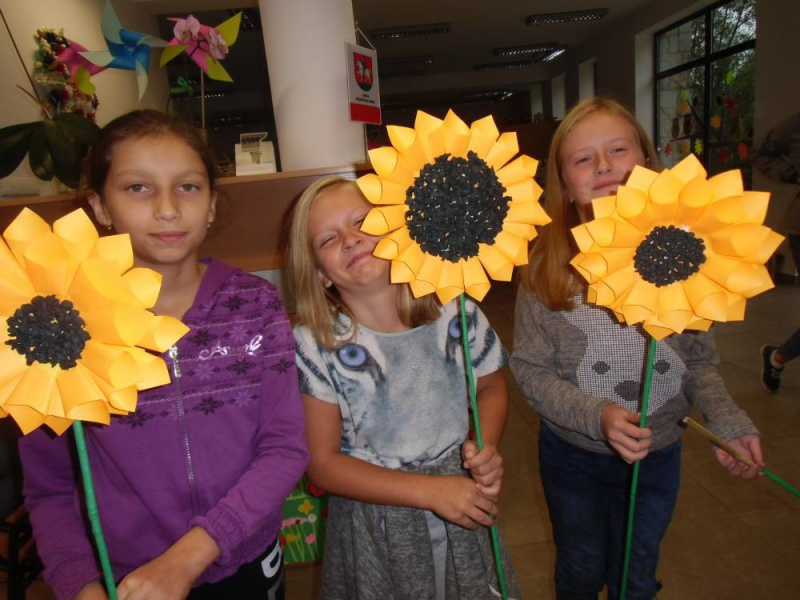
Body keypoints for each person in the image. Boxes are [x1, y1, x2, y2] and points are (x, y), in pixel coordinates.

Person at [19, 110, 309, 600]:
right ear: (100, 206)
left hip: (245, 559)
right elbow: (49, 487)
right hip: (125, 579)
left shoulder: (255, 306)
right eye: (138, 188)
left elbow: (284, 449)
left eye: (188, 187)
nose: (168, 208)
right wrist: (80, 585)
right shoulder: (58, 330)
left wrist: (192, 554)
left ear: (213, 205)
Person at [510, 98, 764, 600]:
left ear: (648, 162)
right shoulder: (545, 270)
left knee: (636, 574)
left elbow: (698, 362)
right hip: (572, 455)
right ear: (563, 184)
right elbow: (530, 370)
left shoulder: (687, 258)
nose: (603, 166)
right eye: (583, 159)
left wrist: (728, 420)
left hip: (658, 453)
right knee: (580, 568)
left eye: (618, 150)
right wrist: (595, 414)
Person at [287, 177, 520, 600]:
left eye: (363, 221)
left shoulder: (456, 307)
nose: (352, 239)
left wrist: (485, 447)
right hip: (373, 520)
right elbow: (321, 463)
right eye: (328, 238)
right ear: (320, 274)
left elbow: (490, 387)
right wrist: (429, 491)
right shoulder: (313, 345)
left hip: (461, 498)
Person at [752, 111, 800, 394]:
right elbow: (761, 154)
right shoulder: (794, 123)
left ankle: (778, 357)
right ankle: (778, 356)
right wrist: (792, 174)